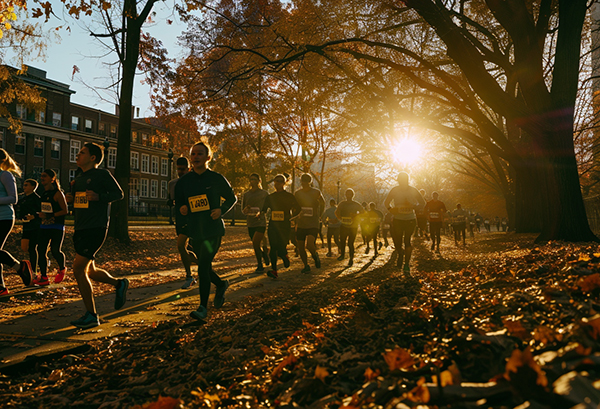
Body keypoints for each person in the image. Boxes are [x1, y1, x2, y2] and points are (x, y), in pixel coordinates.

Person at [65, 142, 127, 329]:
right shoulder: (79, 177)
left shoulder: (102, 174)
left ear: (93, 158)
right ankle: (119, 284)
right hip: (81, 227)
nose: (77, 155)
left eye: (82, 153)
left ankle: (92, 315)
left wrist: (99, 197)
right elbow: (80, 203)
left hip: (96, 227)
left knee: (78, 269)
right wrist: (71, 200)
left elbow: (119, 194)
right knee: (90, 271)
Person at [175, 141, 237, 321]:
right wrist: (183, 209)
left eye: (200, 154)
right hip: (195, 230)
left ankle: (202, 308)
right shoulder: (184, 182)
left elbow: (232, 198)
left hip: (213, 230)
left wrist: (221, 210)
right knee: (204, 266)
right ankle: (221, 284)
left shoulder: (216, 178)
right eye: (193, 154)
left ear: (208, 157)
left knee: (203, 266)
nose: (195, 157)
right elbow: (179, 202)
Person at [0, 149, 33, 296]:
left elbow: (13, 198)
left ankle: (20, 267)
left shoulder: (5, 175)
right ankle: (1, 287)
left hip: (4, 217)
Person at [383, 172, 425, 274]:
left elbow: (423, 203)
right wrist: (391, 210)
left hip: (410, 219)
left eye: (404, 180)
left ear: (407, 180)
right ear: (398, 180)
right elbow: (386, 202)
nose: (402, 182)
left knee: (407, 241)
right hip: (398, 219)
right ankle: (400, 253)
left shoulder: (413, 190)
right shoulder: (395, 190)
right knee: (397, 241)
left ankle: (406, 264)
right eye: (400, 180)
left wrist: (414, 207)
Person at [262, 174, 301, 278]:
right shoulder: (270, 197)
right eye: (275, 181)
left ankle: (284, 255)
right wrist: (258, 214)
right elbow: (264, 209)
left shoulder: (289, 196)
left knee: (281, 246)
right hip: (273, 225)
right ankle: (274, 270)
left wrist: (291, 217)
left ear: (284, 183)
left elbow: (298, 208)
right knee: (273, 247)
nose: (277, 183)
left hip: (284, 225)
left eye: (280, 181)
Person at [34, 169, 68, 286]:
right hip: (44, 226)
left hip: (57, 226)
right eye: (41, 176)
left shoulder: (58, 193)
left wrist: (51, 215)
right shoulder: (44, 193)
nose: (42, 178)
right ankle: (44, 276)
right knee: (41, 250)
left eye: (45, 176)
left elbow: (65, 211)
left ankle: (62, 268)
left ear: (52, 179)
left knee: (55, 250)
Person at [168, 157, 198, 289]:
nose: (180, 172)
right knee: (183, 248)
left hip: (192, 219)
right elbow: (172, 200)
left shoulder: (193, 181)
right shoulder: (172, 184)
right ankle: (202, 265)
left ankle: (189, 276)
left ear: (188, 169)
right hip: (180, 218)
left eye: (183, 169)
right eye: (178, 169)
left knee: (181, 246)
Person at [294, 174, 325, 274]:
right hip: (301, 223)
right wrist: (296, 215)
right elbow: (294, 206)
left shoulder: (316, 192)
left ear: (310, 181)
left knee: (310, 245)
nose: (304, 183)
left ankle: (315, 256)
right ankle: (306, 265)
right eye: (303, 180)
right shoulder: (297, 193)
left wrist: (319, 214)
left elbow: (322, 202)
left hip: (313, 222)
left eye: (306, 181)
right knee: (300, 246)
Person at [242, 173, 270, 274]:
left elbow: (268, 207)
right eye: (251, 179)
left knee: (255, 243)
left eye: (255, 179)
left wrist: (261, 212)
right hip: (250, 223)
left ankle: (260, 265)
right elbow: (243, 210)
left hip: (261, 221)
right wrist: (246, 209)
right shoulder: (246, 195)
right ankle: (264, 255)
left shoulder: (264, 194)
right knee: (256, 245)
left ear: (259, 181)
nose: (252, 181)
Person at [19, 179, 41, 277]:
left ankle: (34, 270)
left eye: (26, 185)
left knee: (32, 248)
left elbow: (41, 211)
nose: (24, 187)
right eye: (24, 185)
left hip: (35, 226)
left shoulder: (37, 198)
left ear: (33, 187)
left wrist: (34, 216)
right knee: (24, 247)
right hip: (26, 226)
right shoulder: (23, 199)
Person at [336, 188, 364, 267]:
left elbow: (363, 212)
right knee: (342, 241)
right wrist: (340, 218)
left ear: (352, 195)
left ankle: (351, 259)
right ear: (345, 195)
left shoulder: (356, 204)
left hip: (353, 226)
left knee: (350, 243)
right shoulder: (342, 204)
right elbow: (337, 212)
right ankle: (342, 256)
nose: (348, 196)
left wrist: (356, 215)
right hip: (344, 225)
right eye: (347, 194)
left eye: (350, 194)